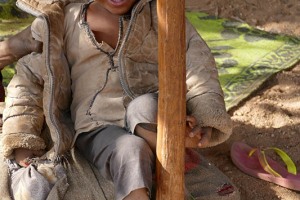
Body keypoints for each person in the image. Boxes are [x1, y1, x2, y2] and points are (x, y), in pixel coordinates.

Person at [0, 0, 234, 199]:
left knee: (144, 107)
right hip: (97, 128)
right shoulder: (65, 21)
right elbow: (29, 79)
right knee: (130, 150)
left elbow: (198, 64)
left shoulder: (161, 14)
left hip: (152, 115)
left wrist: (206, 114)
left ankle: (172, 160)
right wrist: (22, 142)